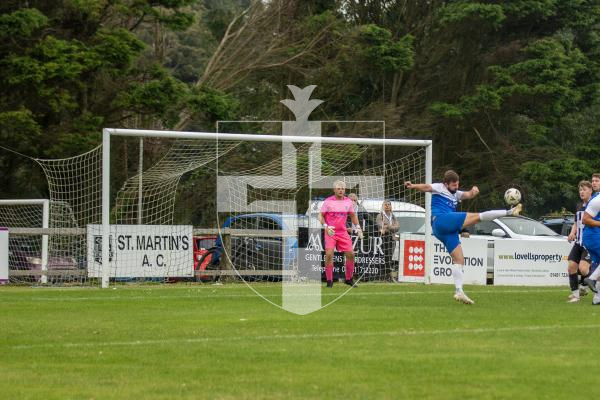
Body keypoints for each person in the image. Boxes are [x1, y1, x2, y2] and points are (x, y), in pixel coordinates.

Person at [405, 170, 522, 305]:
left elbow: (468, 195)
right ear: (446, 184)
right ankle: (509, 212)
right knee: (478, 216)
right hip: (441, 220)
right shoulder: (439, 187)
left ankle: (459, 291)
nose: (456, 188)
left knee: (459, 259)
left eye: (457, 185)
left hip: (445, 231)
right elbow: (426, 187)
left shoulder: (457, 194)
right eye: (453, 185)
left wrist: (473, 191)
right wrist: (413, 186)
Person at [320, 181, 363, 288]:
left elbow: (353, 216)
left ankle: (348, 279)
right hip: (331, 232)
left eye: (343, 189)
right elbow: (320, 216)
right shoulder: (328, 201)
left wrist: (358, 227)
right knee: (329, 255)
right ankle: (329, 281)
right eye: (339, 188)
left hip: (342, 232)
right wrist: (326, 226)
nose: (341, 190)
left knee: (351, 255)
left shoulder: (348, 202)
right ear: (334, 190)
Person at [566, 181, 593, 303]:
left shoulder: (594, 205)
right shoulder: (578, 206)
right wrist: (572, 232)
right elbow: (576, 223)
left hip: (589, 242)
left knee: (583, 269)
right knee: (571, 267)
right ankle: (576, 296)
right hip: (578, 242)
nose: (581, 192)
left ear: (590, 191)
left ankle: (587, 285)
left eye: (584, 189)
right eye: (580, 190)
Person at [376, 200, 400, 275]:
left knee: (390, 256)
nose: (387, 206)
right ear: (383, 206)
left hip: (392, 238)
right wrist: (390, 227)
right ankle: (385, 273)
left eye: (389, 204)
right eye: (385, 204)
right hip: (384, 238)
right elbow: (380, 225)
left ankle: (388, 273)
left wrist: (388, 226)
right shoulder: (380, 215)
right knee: (385, 256)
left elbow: (397, 227)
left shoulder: (393, 216)